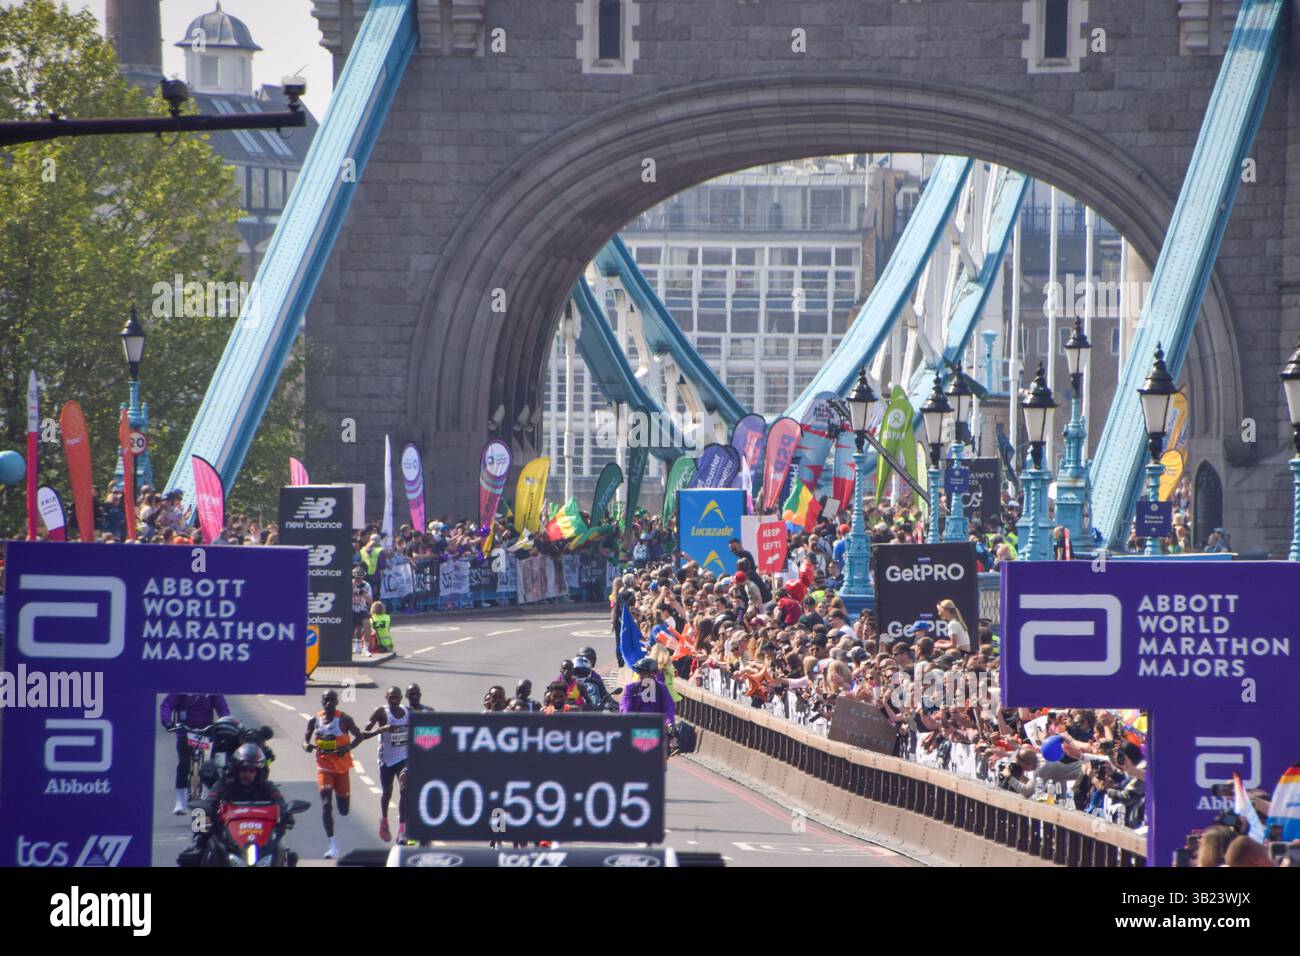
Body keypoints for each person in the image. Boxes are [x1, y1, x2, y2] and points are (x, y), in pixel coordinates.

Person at [303, 689, 374, 859]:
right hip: (324, 767)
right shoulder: (315, 719)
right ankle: (332, 845)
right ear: (322, 701)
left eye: (332, 700)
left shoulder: (344, 719)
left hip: (341, 769)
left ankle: (343, 803)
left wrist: (346, 748)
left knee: (343, 809)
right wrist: (306, 745)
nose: (328, 703)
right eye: (326, 700)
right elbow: (305, 739)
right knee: (326, 803)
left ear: (337, 702)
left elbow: (359, 737)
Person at [160, 692, 230, 813]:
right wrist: (167, 722)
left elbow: (222, 707)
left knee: (214, 763)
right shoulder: (182, 689)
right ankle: (180, 800)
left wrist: (225, 720)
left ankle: (211, 795)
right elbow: (167, 705)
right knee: (184, 764)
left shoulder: (211, 689)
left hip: (206, 731)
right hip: (185, 731)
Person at [364, 686, 411, 843]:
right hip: (386, 760)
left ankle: (402, 830)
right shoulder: (381, 712)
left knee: (405, 791)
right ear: (386, 697)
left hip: (404, 758)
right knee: (387, 793)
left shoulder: (407, 712)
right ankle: (384, 820)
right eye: (391, 697)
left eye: (397, 697)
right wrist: (383, 729)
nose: (394, 700)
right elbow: (364, 733)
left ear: (401, 698)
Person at [351, 567, 373, 657]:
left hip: (362, 608)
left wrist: (363, 593)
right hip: (351, 608)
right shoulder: (350, 584)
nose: (358, 580)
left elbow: (370, 600)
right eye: (356, 578)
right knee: (356, 630)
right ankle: (355, 646)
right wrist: (353, 591)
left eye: (360, 578)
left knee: (367, 625)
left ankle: (366, 648)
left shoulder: (366, 585)